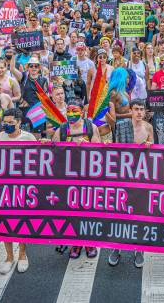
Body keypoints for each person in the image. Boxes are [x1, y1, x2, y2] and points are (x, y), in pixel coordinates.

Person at [51, 101, 101, 259]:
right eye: (69, 111)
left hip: (88, 175)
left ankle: (89, 243)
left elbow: (100, 151)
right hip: (69, 176)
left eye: (75, 111)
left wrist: (87, 145)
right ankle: (76, 243)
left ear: (82, 112)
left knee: (88, 211)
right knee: (72, 211)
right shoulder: (62, 129)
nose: (71, 114)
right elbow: (53, 149)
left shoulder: (91, 128)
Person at [108, 99, 153, 268]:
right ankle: (117, 247)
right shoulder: (121, 126)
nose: (139, 112)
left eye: (142, 109)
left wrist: (150, 145)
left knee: (139, 214)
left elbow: (155, 151)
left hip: (142, 176)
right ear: (131, 111)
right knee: (120, 214)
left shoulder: (148, 128)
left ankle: (138, 248)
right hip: (123, 175)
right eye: (136, 109)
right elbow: (115, 149)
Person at [0, 109, 36, 274]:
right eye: (5, 122)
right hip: (4, 187)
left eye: (11, 122)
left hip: (23, 186)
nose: (7, 125)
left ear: (19, 123)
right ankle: (9, 257)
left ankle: (23, 255)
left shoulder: (29, 138)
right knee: (5, 222)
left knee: (22, 221)